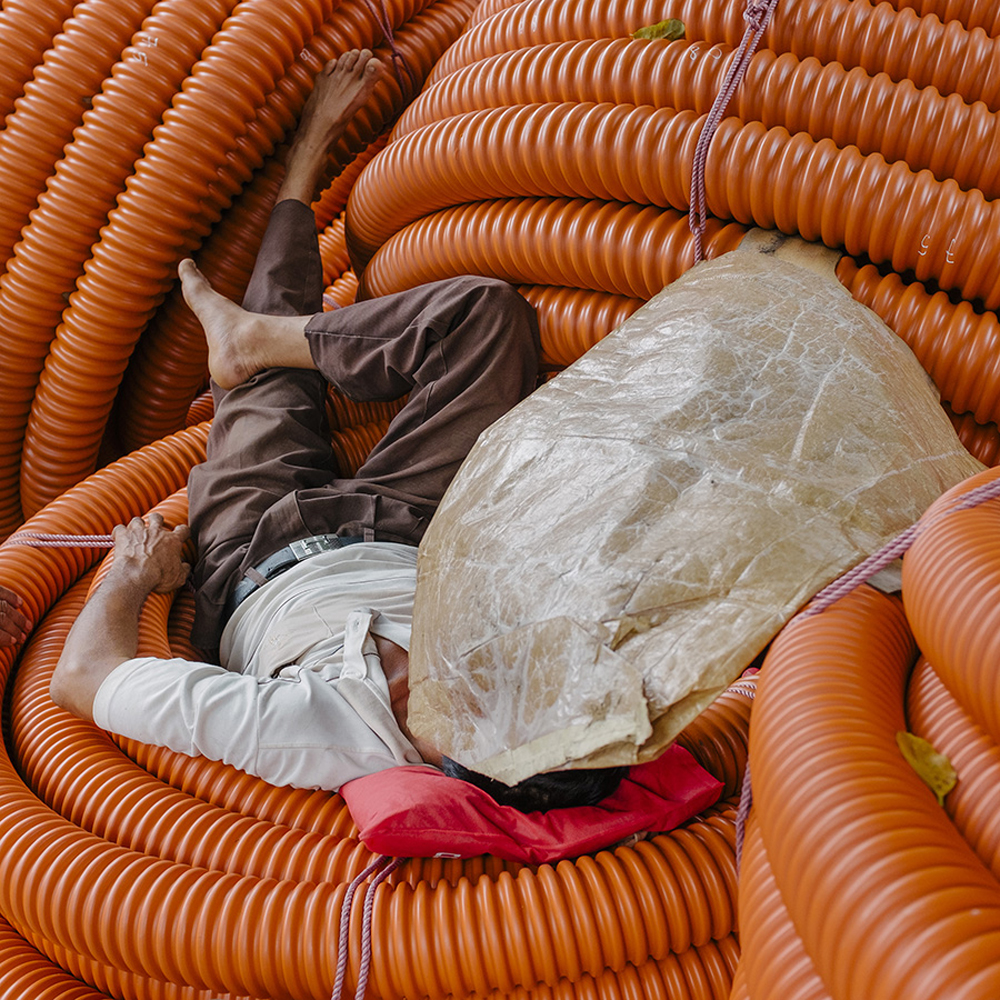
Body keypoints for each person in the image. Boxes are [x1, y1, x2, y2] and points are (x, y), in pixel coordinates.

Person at [49, 50, 625, 810]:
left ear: (457, 770)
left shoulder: (321, 733)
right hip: (412, 525)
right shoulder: (507, 666)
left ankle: (302, 168)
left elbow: (81, 678)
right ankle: (259, 334)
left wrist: (131, 573)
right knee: (486, 318)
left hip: (256, 551)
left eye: (459, 719)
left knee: (264, 389)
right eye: (489, 691)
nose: (453, 681)